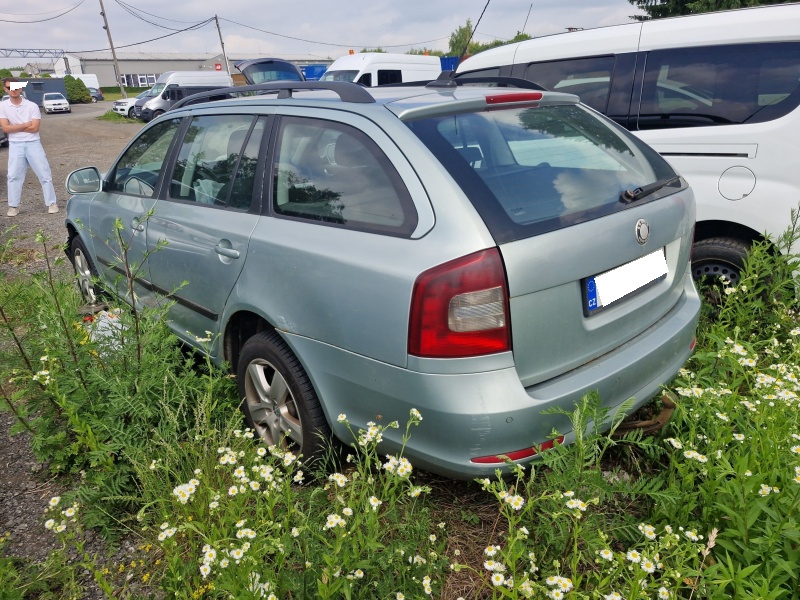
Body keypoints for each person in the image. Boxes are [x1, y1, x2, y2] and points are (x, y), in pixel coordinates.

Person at [0, 78, 58, 217]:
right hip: (15, 145)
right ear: (5, 89)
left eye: (15, 87)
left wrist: (15, 127)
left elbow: (35, 128)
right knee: (13, 176)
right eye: (9, 87)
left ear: (20, 88)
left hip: (33, 143)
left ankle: (51, 203)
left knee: (44, 174)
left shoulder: (31, 106)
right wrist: (26, 124)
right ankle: (13, 206)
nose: (13, 90)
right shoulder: (3, 106)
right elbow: (6, 129)